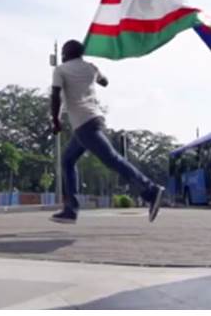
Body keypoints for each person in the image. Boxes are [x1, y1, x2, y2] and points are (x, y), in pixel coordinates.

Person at [49, 39, 164, 224]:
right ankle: (71, 208)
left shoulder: (60, 70)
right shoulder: (90, 67)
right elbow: (105, 82)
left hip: (84, 123)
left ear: (66, 54)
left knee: (113, 160)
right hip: (94, 120)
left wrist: (55, 120)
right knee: (68, 160)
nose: (62, 56)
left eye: (63, 52)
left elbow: (55, 95)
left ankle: (150, 190)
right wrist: (92, 72)